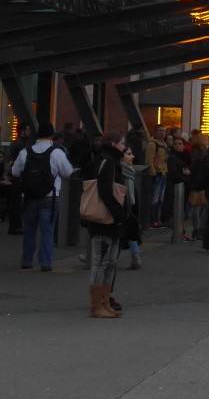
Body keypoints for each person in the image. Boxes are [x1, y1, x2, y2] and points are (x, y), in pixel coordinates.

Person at [12, 122, 75, 272]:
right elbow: (68, 172)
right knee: (47, 230)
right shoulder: (57, 152)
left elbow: (15, 171)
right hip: (50, 196)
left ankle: (26, 260)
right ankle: (45, 262)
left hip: (29, 196)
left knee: (29, 229)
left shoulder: (25, 151)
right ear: (52, 135)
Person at [84, 132, 128, 319]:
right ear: (114, 144)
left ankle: (103, 301)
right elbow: (105, 190)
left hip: (108, 218)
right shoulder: (108, 162)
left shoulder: (106, 160)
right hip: (106, 218)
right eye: (121, 144)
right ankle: (97, 305)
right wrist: (118, 213)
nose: (123, 147)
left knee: (108, 261)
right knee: (102, 262)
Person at [119, 144, 143, 270]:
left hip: (129, 203)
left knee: (129, 229)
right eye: (128, 154)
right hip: (126, 203)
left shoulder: (129, 170)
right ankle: (135, 256)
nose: (132, 156)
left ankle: (135, 256)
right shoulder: (121, 171)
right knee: (128, 229)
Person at [7, 123, 34, 235]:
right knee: (17, 202)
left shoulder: (17, 143)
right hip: (19, 177)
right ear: (22, 131)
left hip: (16, 176)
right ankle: (16, 225)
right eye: (28, 130)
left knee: (15, 201)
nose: (30, 132)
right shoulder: (22, 145)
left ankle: (15, 225)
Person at [145, 125, 169, 228]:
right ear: (155, 132)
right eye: (160, 130)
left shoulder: (163, 143)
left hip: (163, 172)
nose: (162, 133)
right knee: (154, 199)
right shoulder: (152, 144)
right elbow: (149, 160)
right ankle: (152, 220)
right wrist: (153, 173)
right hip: (157, 173)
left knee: (160, 199)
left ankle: (157, 219)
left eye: (163, 131)